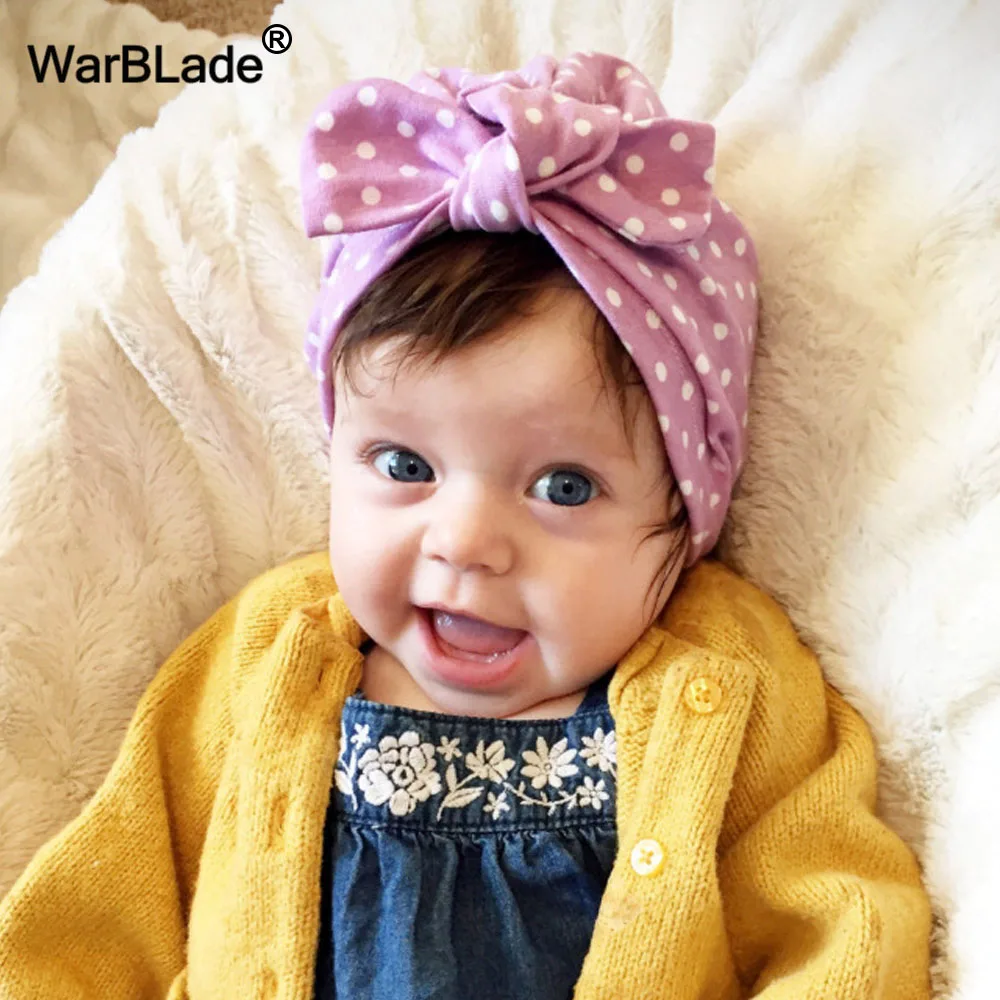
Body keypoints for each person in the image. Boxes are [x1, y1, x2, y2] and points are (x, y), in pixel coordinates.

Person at [0, 50, 931, 1000]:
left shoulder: (733, 673)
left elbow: (844, 927)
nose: (466, 543)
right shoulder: (271, 652)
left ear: (684, 506)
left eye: (563, 487)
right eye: (406, 467)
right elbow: (97, 917)